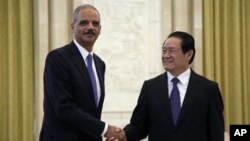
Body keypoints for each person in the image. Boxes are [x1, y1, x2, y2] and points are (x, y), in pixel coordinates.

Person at [108, 31, 224, 141]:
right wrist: (123, 135)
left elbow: (216, 133)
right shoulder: (150, 87)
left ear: (189, 54)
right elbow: (139, 126)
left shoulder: (208, 89)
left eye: (171, 51)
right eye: (164, 51)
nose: (166, 56)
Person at [39, 4, 123, 141]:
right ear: (73, 27)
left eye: (95, 24)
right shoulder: (57, 58)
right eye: (84, 23)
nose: (90, 27)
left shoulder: (99, 64)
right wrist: (105, 129)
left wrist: (102, 134)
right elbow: (64, 107)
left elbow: (92, 111)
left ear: (100, 30)